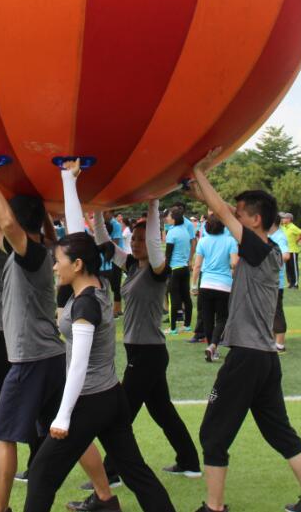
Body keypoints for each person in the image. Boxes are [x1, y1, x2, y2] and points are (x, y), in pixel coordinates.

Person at [25, 161, 175, 512]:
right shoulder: (99, 284)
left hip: (90, 401)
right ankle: (110, 506)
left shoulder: (85, 306)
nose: (55, 265)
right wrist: (68, 181)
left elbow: (77, 367)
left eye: (58, 260)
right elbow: (78, 237)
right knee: (135, 471)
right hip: (112, 398)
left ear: (76, 265)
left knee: (44, 472)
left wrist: (62, 417)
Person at [187, 149, 301, 512]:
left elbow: (221, 212)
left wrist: (199, 168)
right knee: (281, 434)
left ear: (257, 219)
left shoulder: (259, 248)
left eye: (243, 214)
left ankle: (214, 508)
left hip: (247, 358)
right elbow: (224, 210)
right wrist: (200, 192)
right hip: (265, 360)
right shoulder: (266, 248)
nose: (236, 217)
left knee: (212, 436)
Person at [78, 164, 200, 494]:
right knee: (162, 410)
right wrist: (99, 212)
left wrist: (153, 203)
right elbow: (103, 241)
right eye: (133, 237)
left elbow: (154, 244)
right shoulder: (131, 265)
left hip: (147, 353)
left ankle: (111, 472)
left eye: (140, 238)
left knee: (121, 414)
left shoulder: (158, 270)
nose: (136, 242)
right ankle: (189, 461)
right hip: (141, 350)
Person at [0, 159, 67, 512]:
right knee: (69, 434)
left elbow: (5, 221)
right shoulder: (21, 251)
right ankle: (105, 496)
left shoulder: (31, 254)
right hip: (50, 357)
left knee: (1, 435)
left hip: (31, 360)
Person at [192, 217, 237, 363]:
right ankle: (213, 345)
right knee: (222, 318)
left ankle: (212, 347)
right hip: (224, 285)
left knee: (207, 318)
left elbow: (197, 266)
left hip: (206, 284)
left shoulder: (203, 241)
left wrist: (193, 285)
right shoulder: (230, 241)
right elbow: (234, 263)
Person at [165, 207, 197, 334]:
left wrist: (165, 270)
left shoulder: (172, 233)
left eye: (169, 216)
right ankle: (187, 325)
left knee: (173, 300)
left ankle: (173, 329)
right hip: (184, 268)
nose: (167, 217)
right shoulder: (185, 231)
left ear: (174, 218)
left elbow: (168, 255)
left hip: (175, 269)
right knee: (186, 297)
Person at [269, 221, 292, 353]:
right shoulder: (270, 235)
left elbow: (286, 255)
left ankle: (280, 344)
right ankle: (272, 341)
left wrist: (269, 263)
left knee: (277, 312)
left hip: (276, 282)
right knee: (270, 313)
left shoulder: (279, 237)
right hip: (269, 281)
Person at [280, 213, 301, 289]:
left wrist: (296, 241)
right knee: (288, 268)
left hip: (293, 250)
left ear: (289, 219)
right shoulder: (283, 227)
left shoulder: (293, 227)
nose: (283, 219)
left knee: (293, 267)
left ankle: (295, 283)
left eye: (284, 218)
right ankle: (290, 282)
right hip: (286, 251)